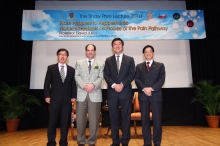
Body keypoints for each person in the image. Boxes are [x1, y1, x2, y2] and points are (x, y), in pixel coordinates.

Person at [104, 38, 135, 146]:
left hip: (125, 92)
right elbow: (106, 75)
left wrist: (121, 84)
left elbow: (132, 74)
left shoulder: (130, 59)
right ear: (112, 47)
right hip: (112, 93)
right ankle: (115, 141)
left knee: (126, 117)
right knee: (113, 117)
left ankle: (125, 140)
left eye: (119, 44)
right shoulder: (108, 60)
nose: (117, 46)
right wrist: (114, 85)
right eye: (115, 44)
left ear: (122, 46)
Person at [44, 48, 77, 146]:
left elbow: (73, 85)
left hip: (66, 100)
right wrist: (47, 96)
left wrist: (73, 96)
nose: (62, 56)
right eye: (60, 54)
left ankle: (63, 141)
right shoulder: (51, 68)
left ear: (67, 57)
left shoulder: (72, 70)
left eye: (65, 54)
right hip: (54, 99)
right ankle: (51, 142)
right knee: (52, 122)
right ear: (57, 56)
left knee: (65, 122)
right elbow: (47, 84)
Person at [135, 45, 165, 146]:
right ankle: (147, 143)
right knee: (145, 121)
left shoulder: (160, 65)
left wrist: (151, 89)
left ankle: (157, 143)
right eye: (146, 52)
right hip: (143, 96)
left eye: (150, 51)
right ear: (143, 54)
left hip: (155, 95)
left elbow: (161, 80)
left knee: (157, 121)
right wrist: (144, 89)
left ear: (153, 53)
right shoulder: (139, 66)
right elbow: (137, 79)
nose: (148, 53)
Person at [75, 44, 104, 146]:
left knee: (94, 121)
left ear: (95, 52)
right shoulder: (79, 63)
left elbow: (101, 78)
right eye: (88, 50)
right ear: (85, 51)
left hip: (95, 94)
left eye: (92, 50)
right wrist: (84, 86)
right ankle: (81, 141)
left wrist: (93, 85)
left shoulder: (100, 64)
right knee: (80, 120)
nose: (90, 52)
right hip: (81, 95)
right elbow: (77, 76)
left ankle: (92, 141)